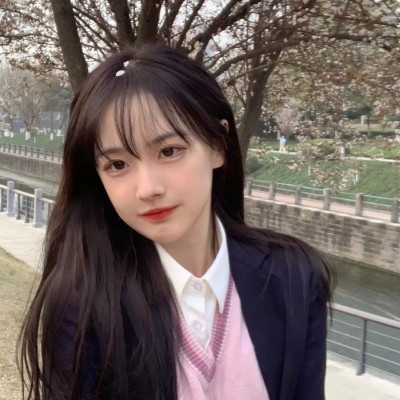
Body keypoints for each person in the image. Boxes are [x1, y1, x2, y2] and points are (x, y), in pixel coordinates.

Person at [19, 44, 336, 400]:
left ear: (218, 145)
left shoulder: (293, 277)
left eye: (169, 151)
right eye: (118, 165)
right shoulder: (84, 306)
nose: (148, 189)